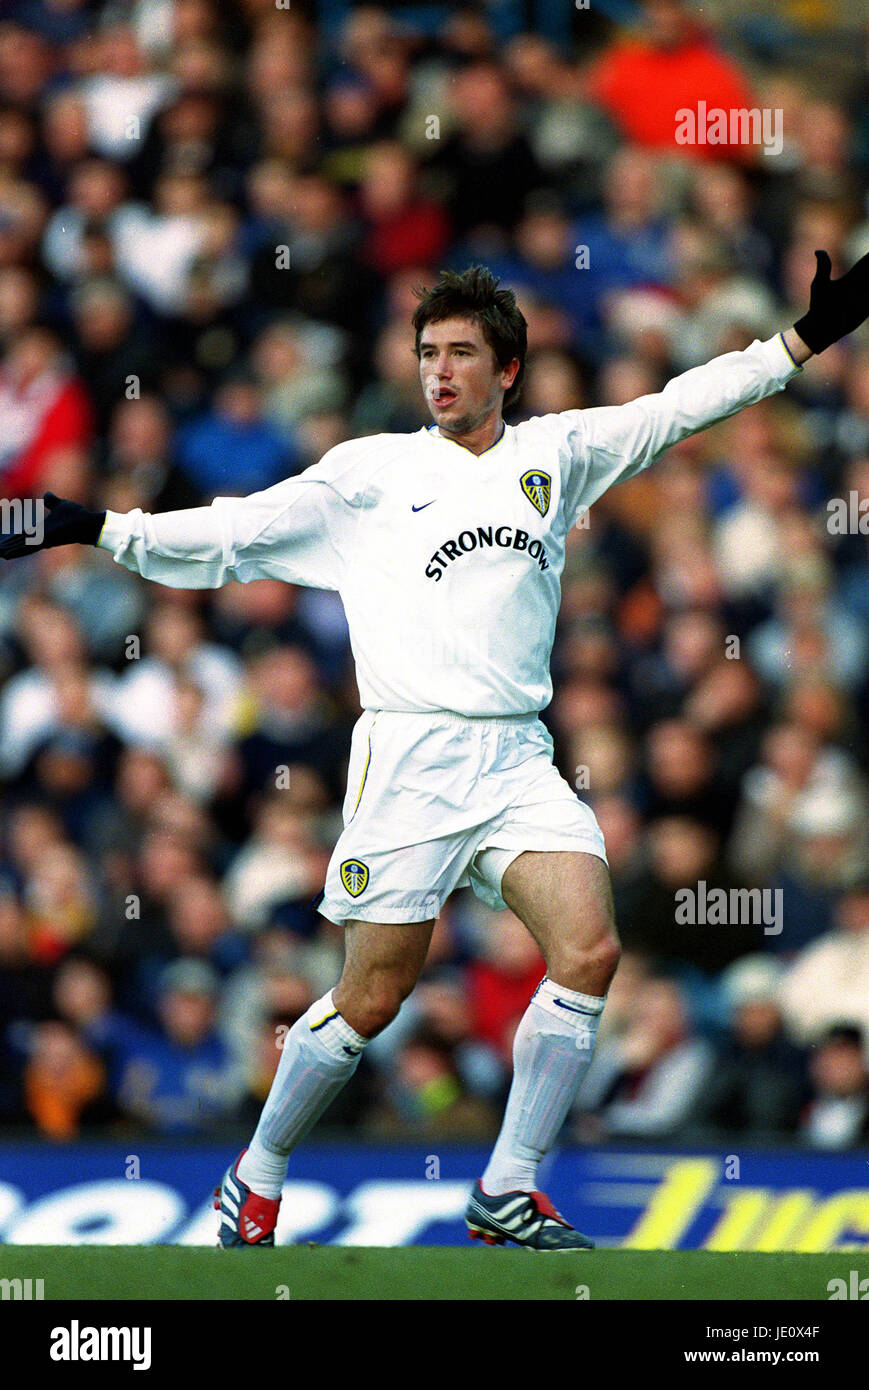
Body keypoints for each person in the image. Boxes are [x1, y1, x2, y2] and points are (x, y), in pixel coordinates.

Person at [1, 253, 866, 1249]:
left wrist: (795, 344)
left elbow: (676, 407)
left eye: (460, 352)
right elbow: (235, 534)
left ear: (506, 370)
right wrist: (105, 528)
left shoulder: (558, 452)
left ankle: (504, 1188)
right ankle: (258, 1170)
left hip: (514, 761)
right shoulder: (368, 475)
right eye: (427, 352)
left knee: (588, 947)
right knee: (371, 998)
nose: (438, 370)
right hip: (408, 764)